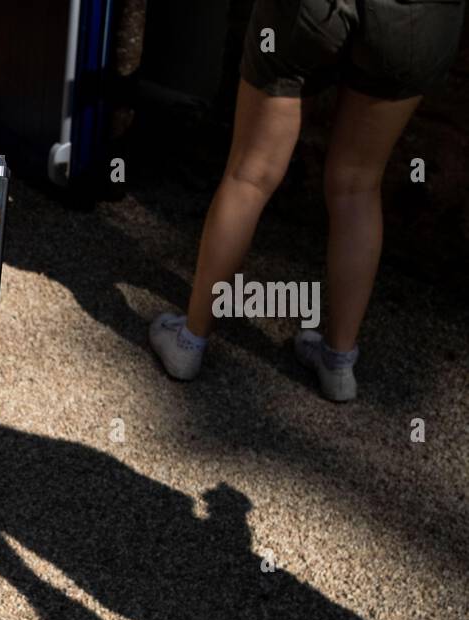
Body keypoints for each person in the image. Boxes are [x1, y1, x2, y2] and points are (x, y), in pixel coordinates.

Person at [150, 0, 466, 401]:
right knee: (357, 186)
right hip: (416, 18)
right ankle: (337, 363)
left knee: (250, 174)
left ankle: (189, 343)